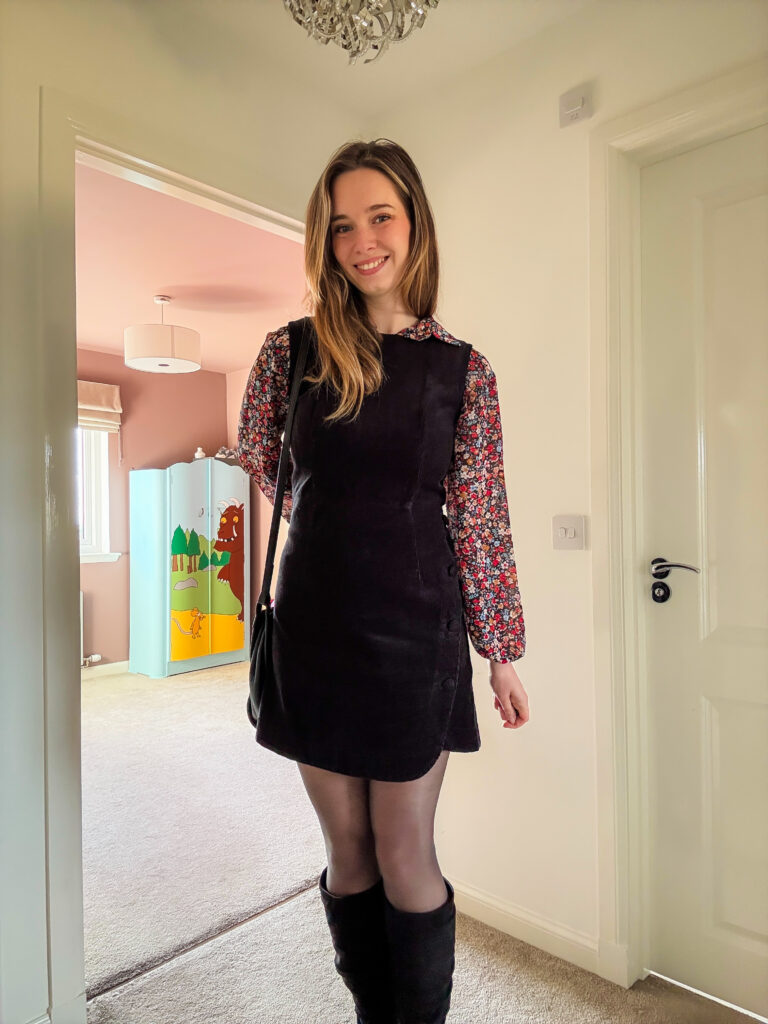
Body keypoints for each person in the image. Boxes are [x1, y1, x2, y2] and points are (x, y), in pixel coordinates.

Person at [237, 138, 529, 1024]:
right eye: (340, 226)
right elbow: (260, 458)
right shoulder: (287, 353)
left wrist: (502, 652)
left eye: (380, 217)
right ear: (322, 243)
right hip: (314, 630)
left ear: (414, 225)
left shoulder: (462, 371)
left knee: (405, 853)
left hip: (414, 634)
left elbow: (480, 518)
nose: (362, 241)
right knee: (348, 852)